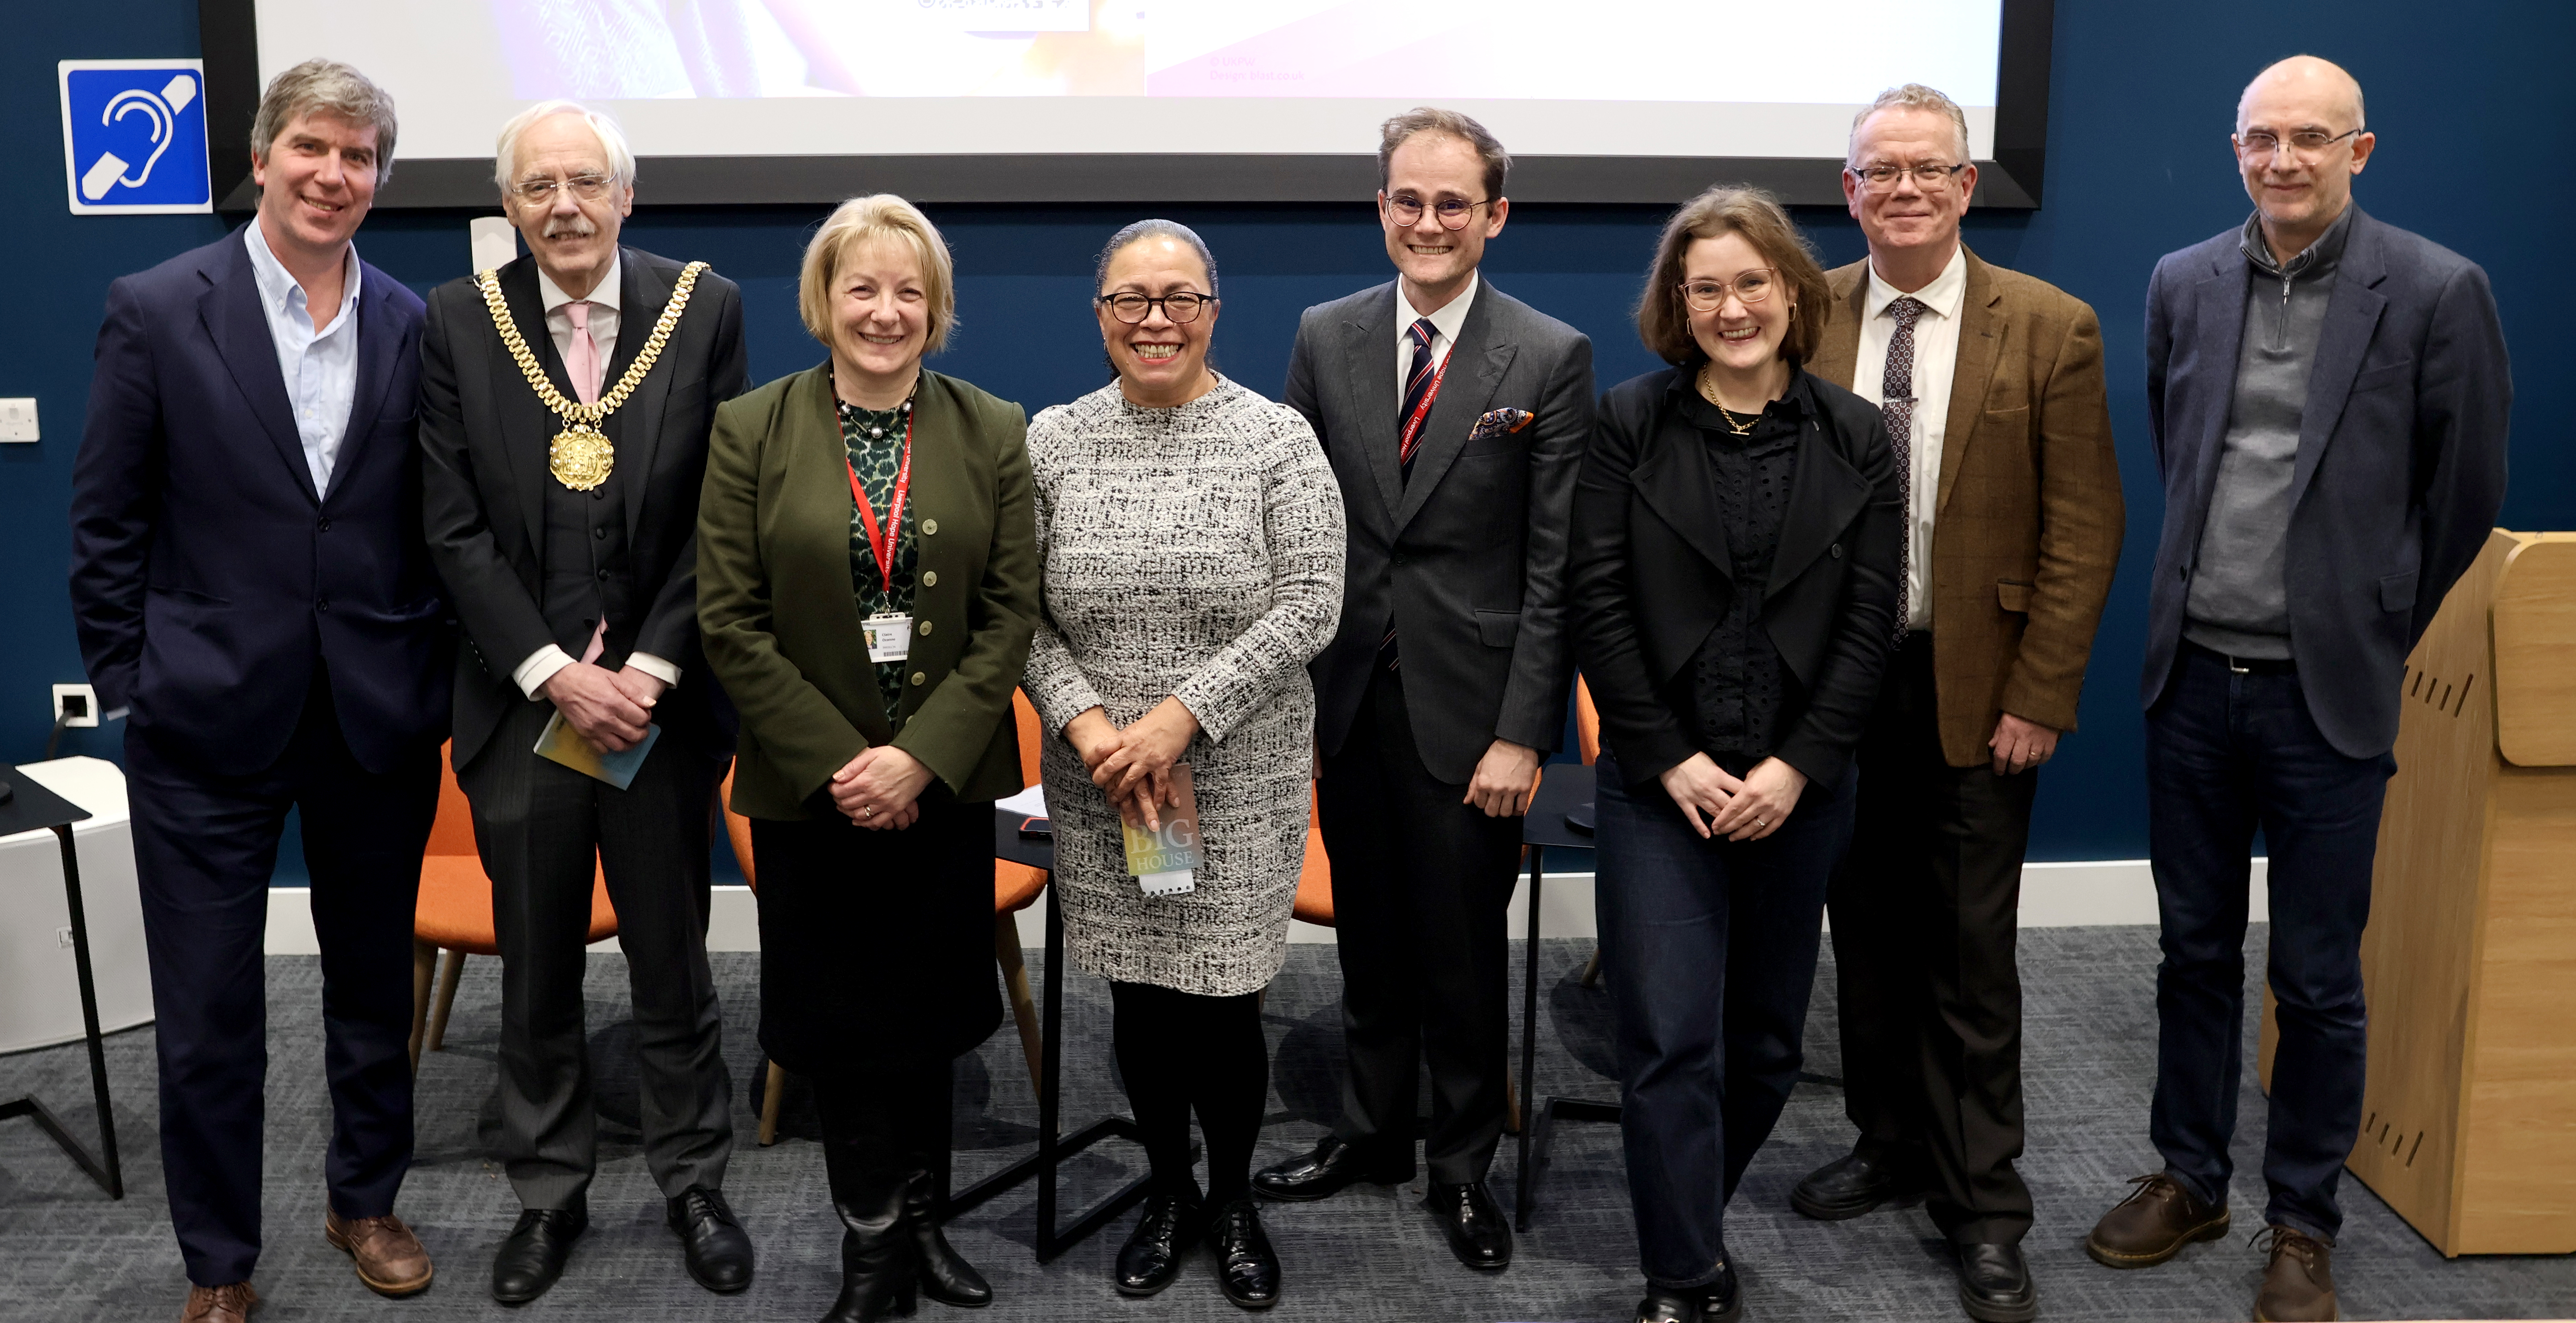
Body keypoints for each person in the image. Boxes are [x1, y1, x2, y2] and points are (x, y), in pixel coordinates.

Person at [2088, 56, 2509, 1323]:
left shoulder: (2437, 291)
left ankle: (2302, 1219)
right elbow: (2183, 451)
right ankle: (2193, 1176)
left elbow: (2465, 493)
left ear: (2360, 151)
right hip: (2190, 683)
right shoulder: (2185, 283)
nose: (2284, 160)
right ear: (2236, 151)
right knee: (2194, 951)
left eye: (2311, 140)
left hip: (2328, 695)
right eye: (2262, 139)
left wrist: (2373, 621)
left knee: (2319, 977)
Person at [66, 60, 445, 1323]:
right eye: (314, 150)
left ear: (380, 179)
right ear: (263, 153)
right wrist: (131, 684)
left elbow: (431, 524)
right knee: (211, 1013)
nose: (335, 176)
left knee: (371, 989)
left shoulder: (410, 319)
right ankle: (219, 1264)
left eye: (359, 159)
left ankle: (365, 1198)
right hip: (202, 721)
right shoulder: (160, 306)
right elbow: (107, 519)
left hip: (374, 717)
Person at [1792, 83, 2126, 1323]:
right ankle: (1889, 1145)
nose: (1906, 190)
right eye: (1881, 171)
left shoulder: (2049, 325)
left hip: (1979, 688)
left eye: (1930, 170)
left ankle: (1986, 1203)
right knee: (1865, 936)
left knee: (1971, 957)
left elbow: (2086, 528)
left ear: (1968, 185)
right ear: (1851, 191)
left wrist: (2041, 692)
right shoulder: (1803, 312)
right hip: (1836, 690)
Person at [417, 100, 753, 1304]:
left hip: (656, 713)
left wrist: (647, 674)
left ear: (625, 195)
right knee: (537, 964)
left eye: (585, 183)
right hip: (524, 711)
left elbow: (726, 511)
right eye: (538, 186)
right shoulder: (459, 321)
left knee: (673, 959)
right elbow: (450, 528)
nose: (563, 205)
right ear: (508, 206)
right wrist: (555, 673)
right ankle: (550, 1193)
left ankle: (693, 1178)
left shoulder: (701, 309)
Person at [1257, 107, 1592, 1273]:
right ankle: (1373, 1132)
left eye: (1456, 203)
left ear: (1494, 215)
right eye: (1410, 199)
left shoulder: (1547, 356)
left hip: (1474, 716)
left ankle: (1460, 1169)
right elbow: (1297, 527)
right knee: (1372, 941)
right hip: (1345, 697)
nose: (1430, 222)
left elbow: (1556, 569)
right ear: (1382, 207)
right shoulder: (1325, 333)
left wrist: (1525, 734)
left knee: (1459, 952)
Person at [697, 194, 1038, 1323]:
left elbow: (1008, 615)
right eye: (862, 287)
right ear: (823, 301)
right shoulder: (752, 428)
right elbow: (729, 621)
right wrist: (850, 759)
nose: (885, 311)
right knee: (841, 1023)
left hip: (943, 789)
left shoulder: (992, 426)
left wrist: (919, 761)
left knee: (933, 1012)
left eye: (909, 291)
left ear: (935, 308)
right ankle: (872, 1238)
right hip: (810, 791)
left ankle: (928, 1220)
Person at [1569, 186, 1902, 1323]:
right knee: (1666, 1038)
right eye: (1703, 286)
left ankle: (1688, 1218)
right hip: (1661, 790)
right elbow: (1598, 603)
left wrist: (1797, 766)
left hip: (1796, 791)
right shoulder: (1629, 423)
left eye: (1750, 281)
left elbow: (1870, 623)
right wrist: (1666, 758)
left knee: (1762, 1048)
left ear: (1792, 292)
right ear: (1678, 303)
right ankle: (1682, 1275)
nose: (1730, 305)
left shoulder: (1859, 435)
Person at [1023, 220, 1346, 1311]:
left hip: (1236, 778)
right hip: (1104, 780)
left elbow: (1313, 602)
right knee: (1143, 1001)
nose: (1154, 318)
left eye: (1178, 297)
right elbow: (1014, 613)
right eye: (1130, 299)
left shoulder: (1278, 439)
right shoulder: (1053, 441)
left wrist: (1181, 716)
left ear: (1215, 307)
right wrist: (1088, 724)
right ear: (1100, 314)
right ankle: (1167, 1188)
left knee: (1222, 1003)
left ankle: (1234, 1197)